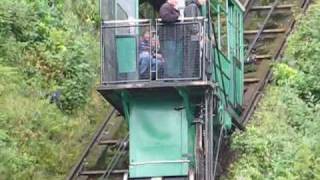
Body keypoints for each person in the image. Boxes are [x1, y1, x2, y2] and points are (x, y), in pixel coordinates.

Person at [158, 0, 184, 79]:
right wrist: (176, 16)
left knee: (174, 57)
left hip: (173, 37)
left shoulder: (172, 8)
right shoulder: (165, 7)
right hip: (168, 38)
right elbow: (166, 17)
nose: (176, 1)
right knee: (170, 57)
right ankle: (169, 76)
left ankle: (175, 75)